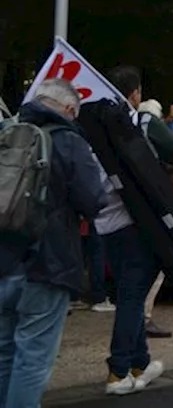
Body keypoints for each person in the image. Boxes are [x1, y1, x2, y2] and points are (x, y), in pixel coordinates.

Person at [0, 79, 107, 406]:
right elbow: (93, 200)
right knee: (33, 356)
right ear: (70, 109)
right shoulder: (69, 141)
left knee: (4, 351)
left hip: (5, 258)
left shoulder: (7, 134)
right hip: (48, 262)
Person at [98, 66, 170, 396]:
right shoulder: (127, 128)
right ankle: (118, 370)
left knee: (130, 293)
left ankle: (140, 362)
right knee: (131, 298)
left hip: (106, 224)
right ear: (135, 94)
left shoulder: (96, 127)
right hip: (131, 224)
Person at [134, 99, 173, 340]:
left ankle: (139, 317)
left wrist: (169, 122)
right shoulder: (153, 143)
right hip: (161, 207)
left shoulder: (137, 137)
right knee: (155, 266)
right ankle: (143, 318)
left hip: (145, 208)